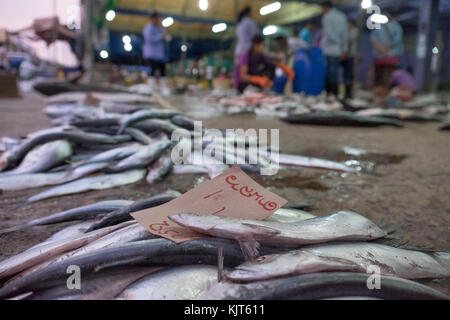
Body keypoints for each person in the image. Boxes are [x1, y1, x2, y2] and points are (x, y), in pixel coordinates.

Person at [370, 12, 404, 106]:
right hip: (390, 58)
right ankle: (382, 100)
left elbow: (374, 40)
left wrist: (381, 49)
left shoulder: (378, 27)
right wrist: (387, 50)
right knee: (386, 79)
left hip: (378, 58)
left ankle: (375, 99)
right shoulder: (397, 27)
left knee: (378, 78)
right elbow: (397, 41)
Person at [320, 1, 348, 97]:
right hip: (338, 50)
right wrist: (344, 48)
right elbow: (345, 34)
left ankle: (329, 94)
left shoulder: (327, 17)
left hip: (329, 49)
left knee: (328, 73)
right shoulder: (342, 16)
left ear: (326, 7)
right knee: (335, 72)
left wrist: (337, 41)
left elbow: (329, 33)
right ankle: (335, 94)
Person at [142, 11, 169, 95]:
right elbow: (149, 39)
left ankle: (163, 89)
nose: (157, 20)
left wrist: (165, 37)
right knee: (152, 72)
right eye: (155, 18)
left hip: (160, 55)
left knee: (163, 71)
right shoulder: (148, 28)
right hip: (151, 54)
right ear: (151, 19)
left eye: (157, 18)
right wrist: (161, 36)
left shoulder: (160, 28)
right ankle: (151, 90)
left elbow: (166, 38)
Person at [341, 20, 359, 100]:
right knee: (346, 75)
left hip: (350, 56)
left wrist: (345, 53)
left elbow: (349, 42)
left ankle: (349, 94)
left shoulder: (354, 31)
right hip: (346, 56)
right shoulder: (347, 31)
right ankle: (346, 94)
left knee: (349, 75)